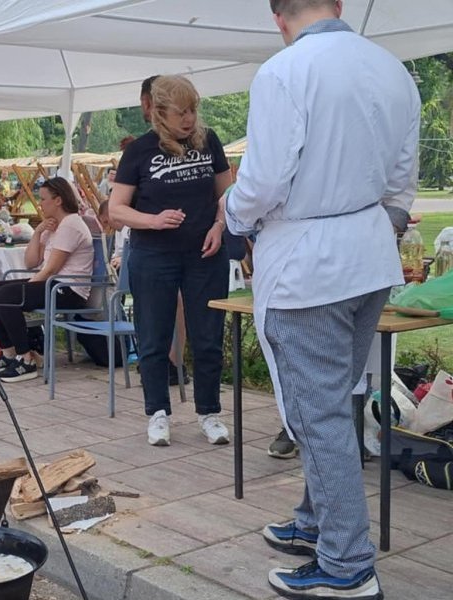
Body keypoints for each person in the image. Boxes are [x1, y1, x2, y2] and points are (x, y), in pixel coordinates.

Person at [226, 2, 419, 598]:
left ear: (277, 17)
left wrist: (233, 214)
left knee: (319, 414)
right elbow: (402, 180)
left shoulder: (285, 70)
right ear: (337, 4)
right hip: (368, 259)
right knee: (333, 403)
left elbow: (263, 180)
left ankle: (346, 564)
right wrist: (375, 227)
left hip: (309, 266)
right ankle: (316, 521)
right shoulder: (391, 68)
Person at [109, 74, 233, 447]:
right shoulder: (139, 151)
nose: (189, 119)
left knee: (208, 337)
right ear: (159, 112)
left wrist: (219, 226)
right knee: (154, 337)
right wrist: (153, 220)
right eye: (181, 112)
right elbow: (116, 210)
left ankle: (209, 413)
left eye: (193, 110)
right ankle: (158, 413)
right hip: (153, 255)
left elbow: (228, 195)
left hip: (205, 254)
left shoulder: (209, 142)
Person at [0, 178, 94, 383]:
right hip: (52, 283)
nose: (39, 204)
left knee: (7, 295)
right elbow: (31, 262)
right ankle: (8, 353)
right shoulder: (54, 226)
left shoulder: (71, 225)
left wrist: (25, 288)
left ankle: (26, 360)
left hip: (69, 289)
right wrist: (39, 231)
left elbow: (51, 269)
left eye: (43, 199)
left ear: (58, 200)